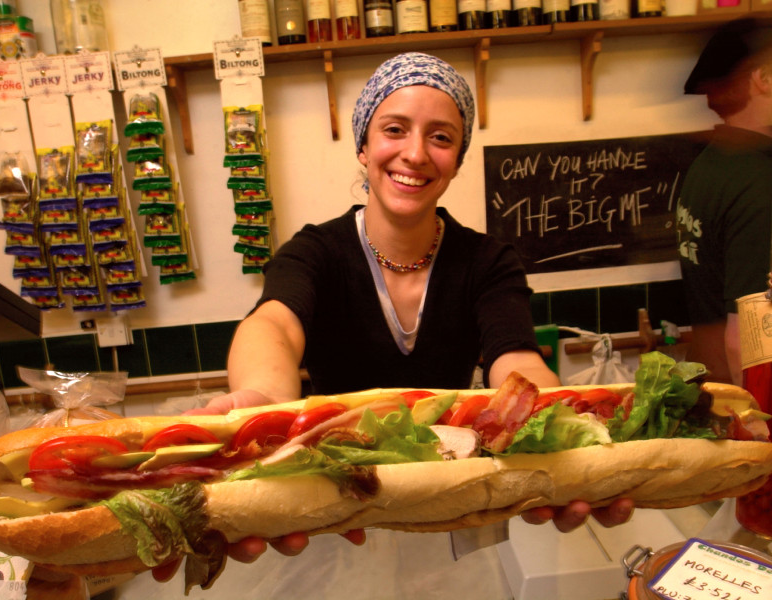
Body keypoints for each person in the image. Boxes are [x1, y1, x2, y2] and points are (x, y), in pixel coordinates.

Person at [169, 52, 633, 577]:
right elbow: (274, 322)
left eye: (440, 137)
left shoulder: (486, 261)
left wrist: (555, 427)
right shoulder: (316, 252)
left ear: (457, 161)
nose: (415, 154)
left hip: (449, 502)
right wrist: (267, 405)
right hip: (333, 504)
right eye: (394, 129)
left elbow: (514, 357)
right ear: (364, 147)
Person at [677, 18, 772, 385]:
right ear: (762, 78)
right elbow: (743, 340)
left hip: (710, 386)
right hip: (743, 397)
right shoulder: (758, 182)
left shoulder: (712, 164)